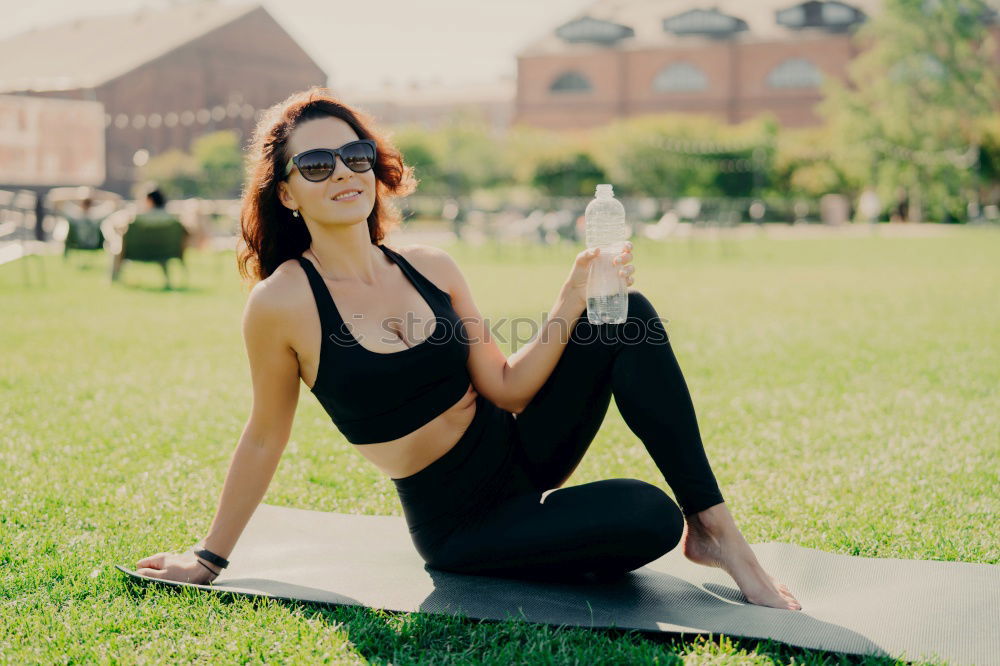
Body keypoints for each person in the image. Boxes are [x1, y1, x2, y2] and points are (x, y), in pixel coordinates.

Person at [135, 87, 801, 611]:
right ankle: (656, 527)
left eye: (355, 155)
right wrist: (210, 558)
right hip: (461, 524)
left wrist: (571, 298)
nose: (343, 172)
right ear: (286, 192)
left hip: (520, 450)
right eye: (316, 163)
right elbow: (262, 438)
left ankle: (716, 533)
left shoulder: (431, 266)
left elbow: (508, 388)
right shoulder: (283, 303)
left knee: (626, 314)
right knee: (644, 514)